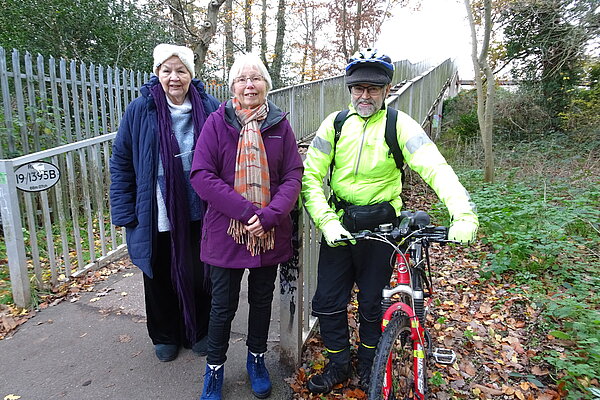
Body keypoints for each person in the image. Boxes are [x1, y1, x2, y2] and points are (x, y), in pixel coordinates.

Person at [301, 48, 479, 394]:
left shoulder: (399, 125)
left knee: (371, 304)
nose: (365, 95)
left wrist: (463, 213)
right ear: (350, 89)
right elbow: (310, 177)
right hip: (340, 224)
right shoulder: (335, 125)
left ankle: (370, 367)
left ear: (387, 89)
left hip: (382, 228)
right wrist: (325, 221)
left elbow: (435, 167)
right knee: (327, 302)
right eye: (358, 88)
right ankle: (339, 365)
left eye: (373, 88)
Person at [190, 53, 303, 400]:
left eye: (255, 78)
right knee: (222, 305)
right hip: (228, 230)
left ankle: (256, 360)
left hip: (268, 231)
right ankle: (215, 370)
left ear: (266, 85)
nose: (249, 84)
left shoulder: (279, 124)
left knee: (261, 298)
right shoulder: (216, 122)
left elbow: (293, 175)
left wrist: (269, 215)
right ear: (233, 86)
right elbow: (201, 175)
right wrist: (245, 212)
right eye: (242, 79)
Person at [109, 44, 220, 362]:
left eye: (181, 70)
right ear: (157, 73)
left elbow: (226, 155)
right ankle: (166, 334)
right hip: (155, 207)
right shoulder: (140, 109)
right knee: (158, 273)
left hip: (200, 207)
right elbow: (122, 161)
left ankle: (198, 330)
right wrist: (124, 210)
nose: (174, 77)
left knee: (201, 273)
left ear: (191, 75)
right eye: (167, 70)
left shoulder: (209, 107)